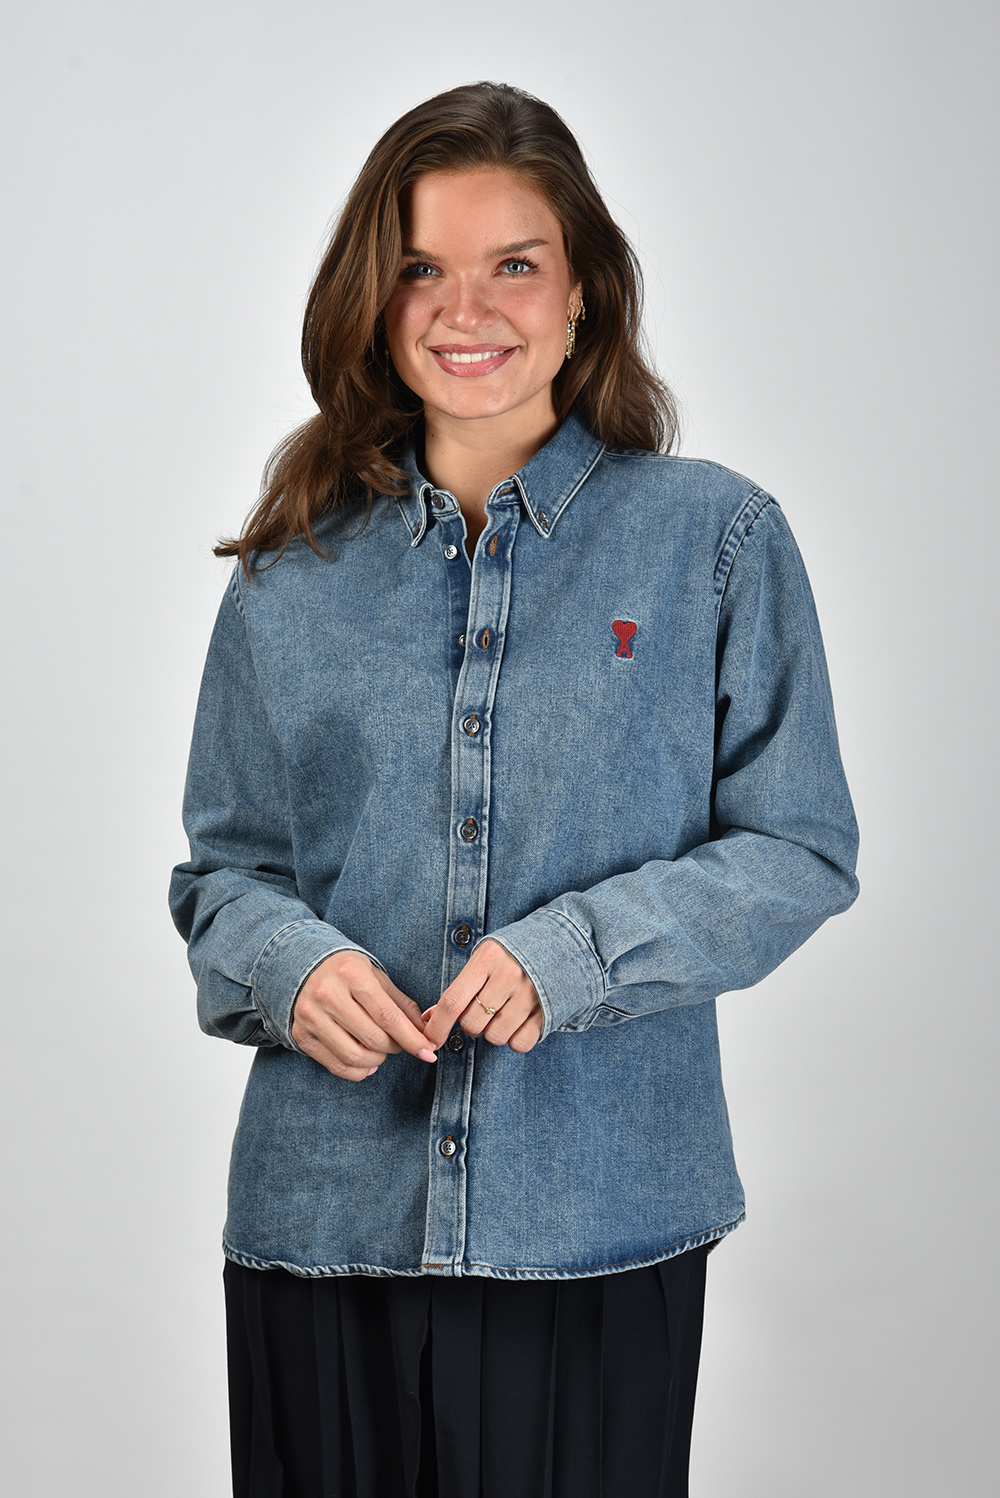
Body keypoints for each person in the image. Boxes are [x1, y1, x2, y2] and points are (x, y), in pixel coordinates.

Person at [169, 80, 859, 1498]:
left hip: (599, 1222)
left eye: (515, 264)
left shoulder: (716, 542)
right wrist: (290, 963)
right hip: (322, 1223)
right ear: (374, 298)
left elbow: (799, 846)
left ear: (585, 290)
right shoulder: (291, 571)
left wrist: (575, 956)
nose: (464, 309)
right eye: (421, 266)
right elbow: (224, 873)